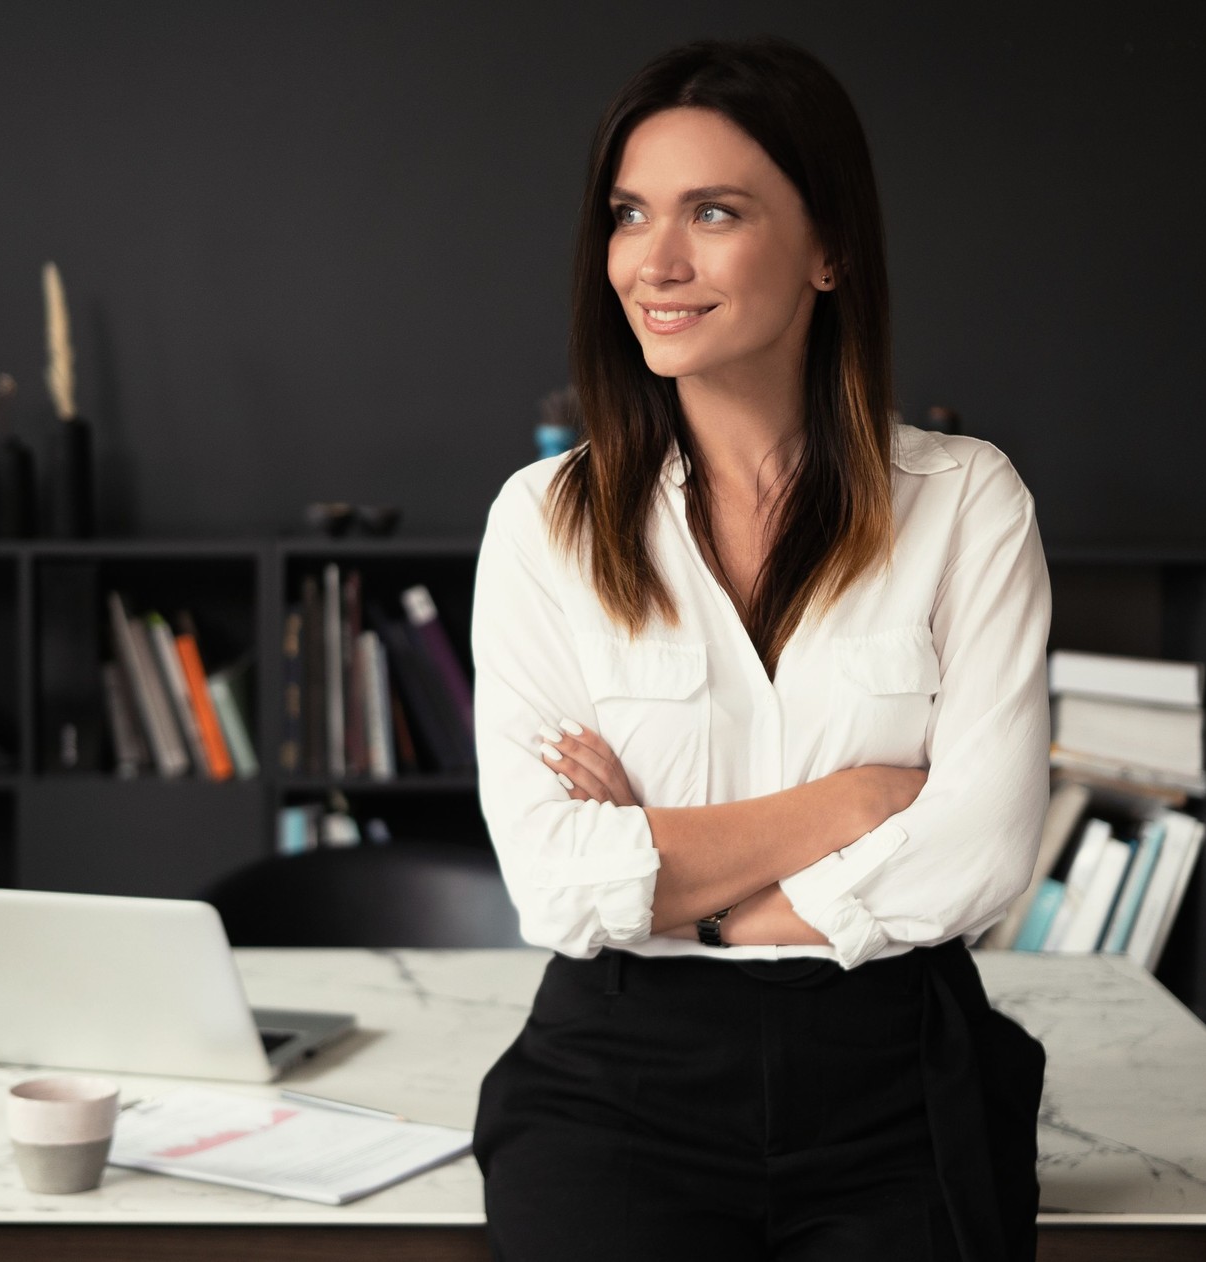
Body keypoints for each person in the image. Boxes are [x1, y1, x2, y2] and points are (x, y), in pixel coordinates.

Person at [467, 34, 1051, 1262]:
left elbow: (986, 846)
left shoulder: (965, 499)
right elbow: (557, 877)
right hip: (614, 1087)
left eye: (714, 211)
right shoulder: (544, 521)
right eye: (630, 215)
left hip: (896, 1080)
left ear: (829, 247)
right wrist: (860, 797)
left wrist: (696, 898)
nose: (655, 261)